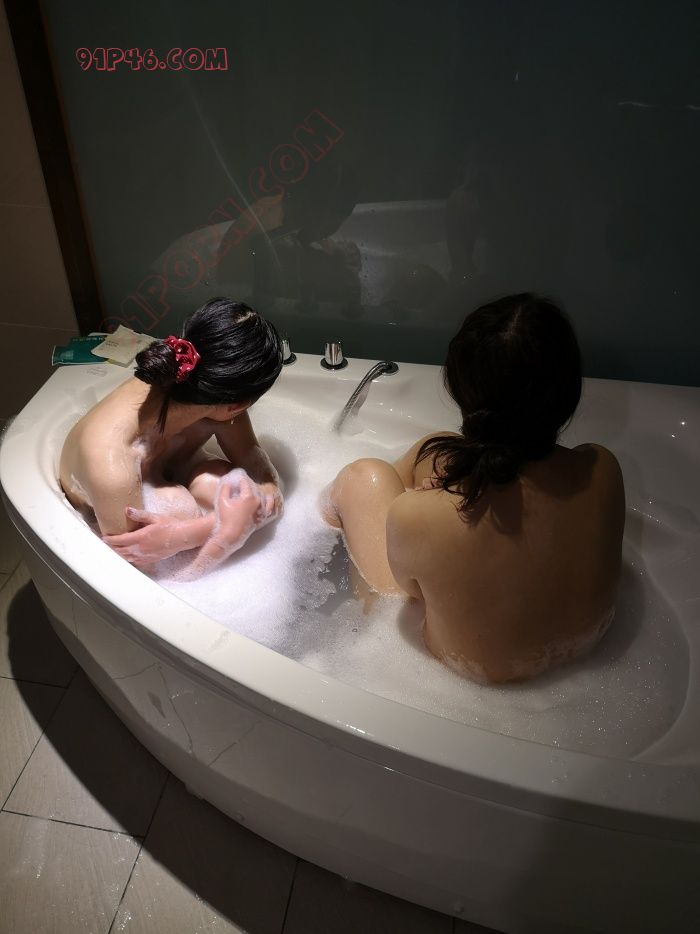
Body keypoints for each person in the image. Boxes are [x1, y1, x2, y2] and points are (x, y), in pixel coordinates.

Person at [323, 294, 625, 683]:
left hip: (462, 685)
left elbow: (408, 589)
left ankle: (325, 523)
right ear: (568, 392)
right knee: (437, 450)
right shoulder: (603, 470)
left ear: (461, 389)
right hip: (578, 664)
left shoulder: (417, 518)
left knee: (363, 477)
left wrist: (427, 511)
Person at [59, 297, 284, 579]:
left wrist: (194, 532)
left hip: (162, 474)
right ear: (237, 404)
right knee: (181, 507)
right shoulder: (111, 461)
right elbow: (143, 573)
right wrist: (225, 532)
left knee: (227, 483)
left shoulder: (206, 393)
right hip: (110, 500)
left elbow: (265, 482)